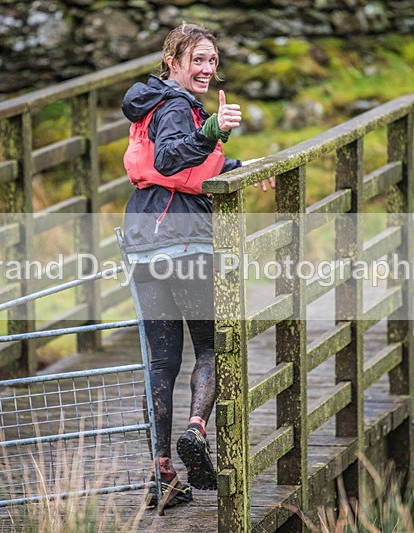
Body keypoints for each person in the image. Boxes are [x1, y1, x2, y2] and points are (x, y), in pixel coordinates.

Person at [121, 23, 273, 509]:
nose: (207, 69)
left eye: (212, 60)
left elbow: (188, 166)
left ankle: (161, 473)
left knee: (160, 362)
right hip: (185, 244)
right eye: (198, 60)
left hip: (144, 243)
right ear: (173, 62)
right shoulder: (176, 106)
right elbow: (170, 159)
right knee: (211, 346)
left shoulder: (151, 103)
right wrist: (212, 129)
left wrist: (238, 166)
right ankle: (196, 428)